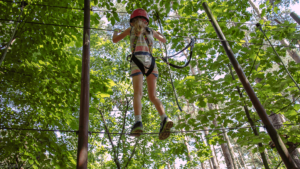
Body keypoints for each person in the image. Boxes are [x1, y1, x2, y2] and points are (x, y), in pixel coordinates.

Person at [112, 8, 173, 140]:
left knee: (138, 93)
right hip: (151, 62)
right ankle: (164, 118)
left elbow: (115, 40)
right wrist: (158, 33)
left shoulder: (131, 30)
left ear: (132, 21)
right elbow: (164, 40)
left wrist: (115, 32)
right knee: (153, 96)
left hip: (137, 61)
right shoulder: (151, 31)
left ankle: (138, 121)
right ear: (146, 21)